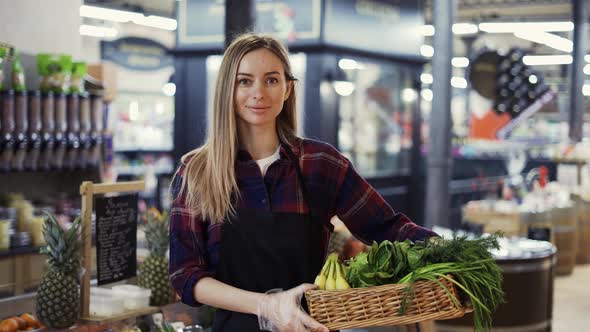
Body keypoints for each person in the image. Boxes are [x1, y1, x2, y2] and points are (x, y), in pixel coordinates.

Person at [169, 33, 438, 332]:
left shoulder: (321, 164)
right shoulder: (197, 172)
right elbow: (185, 276)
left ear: (288, 88)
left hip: (311, 326)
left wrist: (445, 251)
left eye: (271, 80)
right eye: (244, 81)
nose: (258, 92)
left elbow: (388, 228)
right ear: (227, 91)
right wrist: (267, 305)